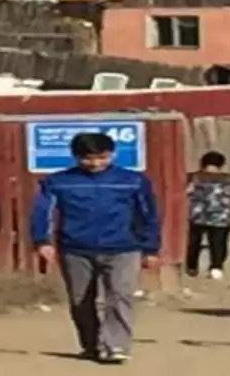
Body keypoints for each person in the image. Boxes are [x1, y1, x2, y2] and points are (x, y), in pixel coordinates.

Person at [29, 132, 162, 365]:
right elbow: (43, 212)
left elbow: (148, 215)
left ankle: (116, 346)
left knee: (120, 295)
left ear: (112, 154)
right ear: (75, 156)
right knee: (80, 300)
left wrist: (150, 248)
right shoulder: (59, 182)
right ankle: (91, 345)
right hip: (75, 248)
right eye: (88, 158)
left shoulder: (133, 181)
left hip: (123, 247)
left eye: (102, 157)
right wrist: (42, 241)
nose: (95, 163)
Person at [184, 150, 230, 280]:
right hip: (221, 217)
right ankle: (216, 267)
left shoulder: (193, 178)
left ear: (203, 163)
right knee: (219, 243)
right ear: (221, 165)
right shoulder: (229, 179)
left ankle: (192, 267)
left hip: (197, 216)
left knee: (194, 242)